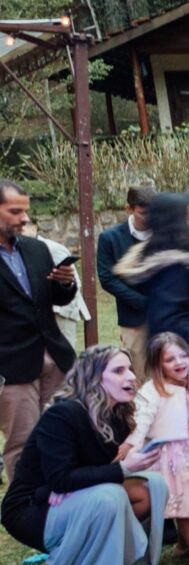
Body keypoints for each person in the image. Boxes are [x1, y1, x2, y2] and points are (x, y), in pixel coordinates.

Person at [0, 346, 168, 565]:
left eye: (130, 369)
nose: (131, 377)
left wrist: (129, 459)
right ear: (94, 377)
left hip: (70, 495)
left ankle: (106, 558)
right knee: (110, 496)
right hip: (31, 508)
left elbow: (90, 471)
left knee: (152, 486)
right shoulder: (63, 414)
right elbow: (61, 478)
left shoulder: (118, 415)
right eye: (119, 371)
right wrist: (122, 468)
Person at [0, 179, 76, 479]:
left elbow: (51, 300)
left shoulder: (36, 249)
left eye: (26, 211)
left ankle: (62, 493)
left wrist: (64, 283)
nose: (24, 218)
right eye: (15, 211)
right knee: (23, 441)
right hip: (11, 367)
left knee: (63, 430)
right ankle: (26, 506)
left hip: (55, 358)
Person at [133, 333, 189, 565]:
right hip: (173, 456)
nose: (180, 362)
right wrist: (133, 445)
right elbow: (141, 421)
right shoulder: (154, 390)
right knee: (185, 503)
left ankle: (183, 545)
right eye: (170, 359)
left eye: (184, 356)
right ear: (157, 364)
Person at [110, 193, 189, 348]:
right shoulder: (175, 267)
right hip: (179, 350)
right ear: (175, 221)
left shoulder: (156, 259)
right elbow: (170, 319)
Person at [95, 186, 155, 377]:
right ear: (129, 209)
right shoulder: (110, 238)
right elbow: (107, 279)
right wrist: (140, 302)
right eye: (144, 213)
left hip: (167, 315)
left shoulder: (165, 233)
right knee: (137, 373)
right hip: (134, 319)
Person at [20, 219, 89, 356]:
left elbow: (71, 280)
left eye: (25, 227)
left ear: (34, 228)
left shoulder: (50, 247)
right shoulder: (20, 249)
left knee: (62, 353)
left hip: (62, 311)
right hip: (39, 312)